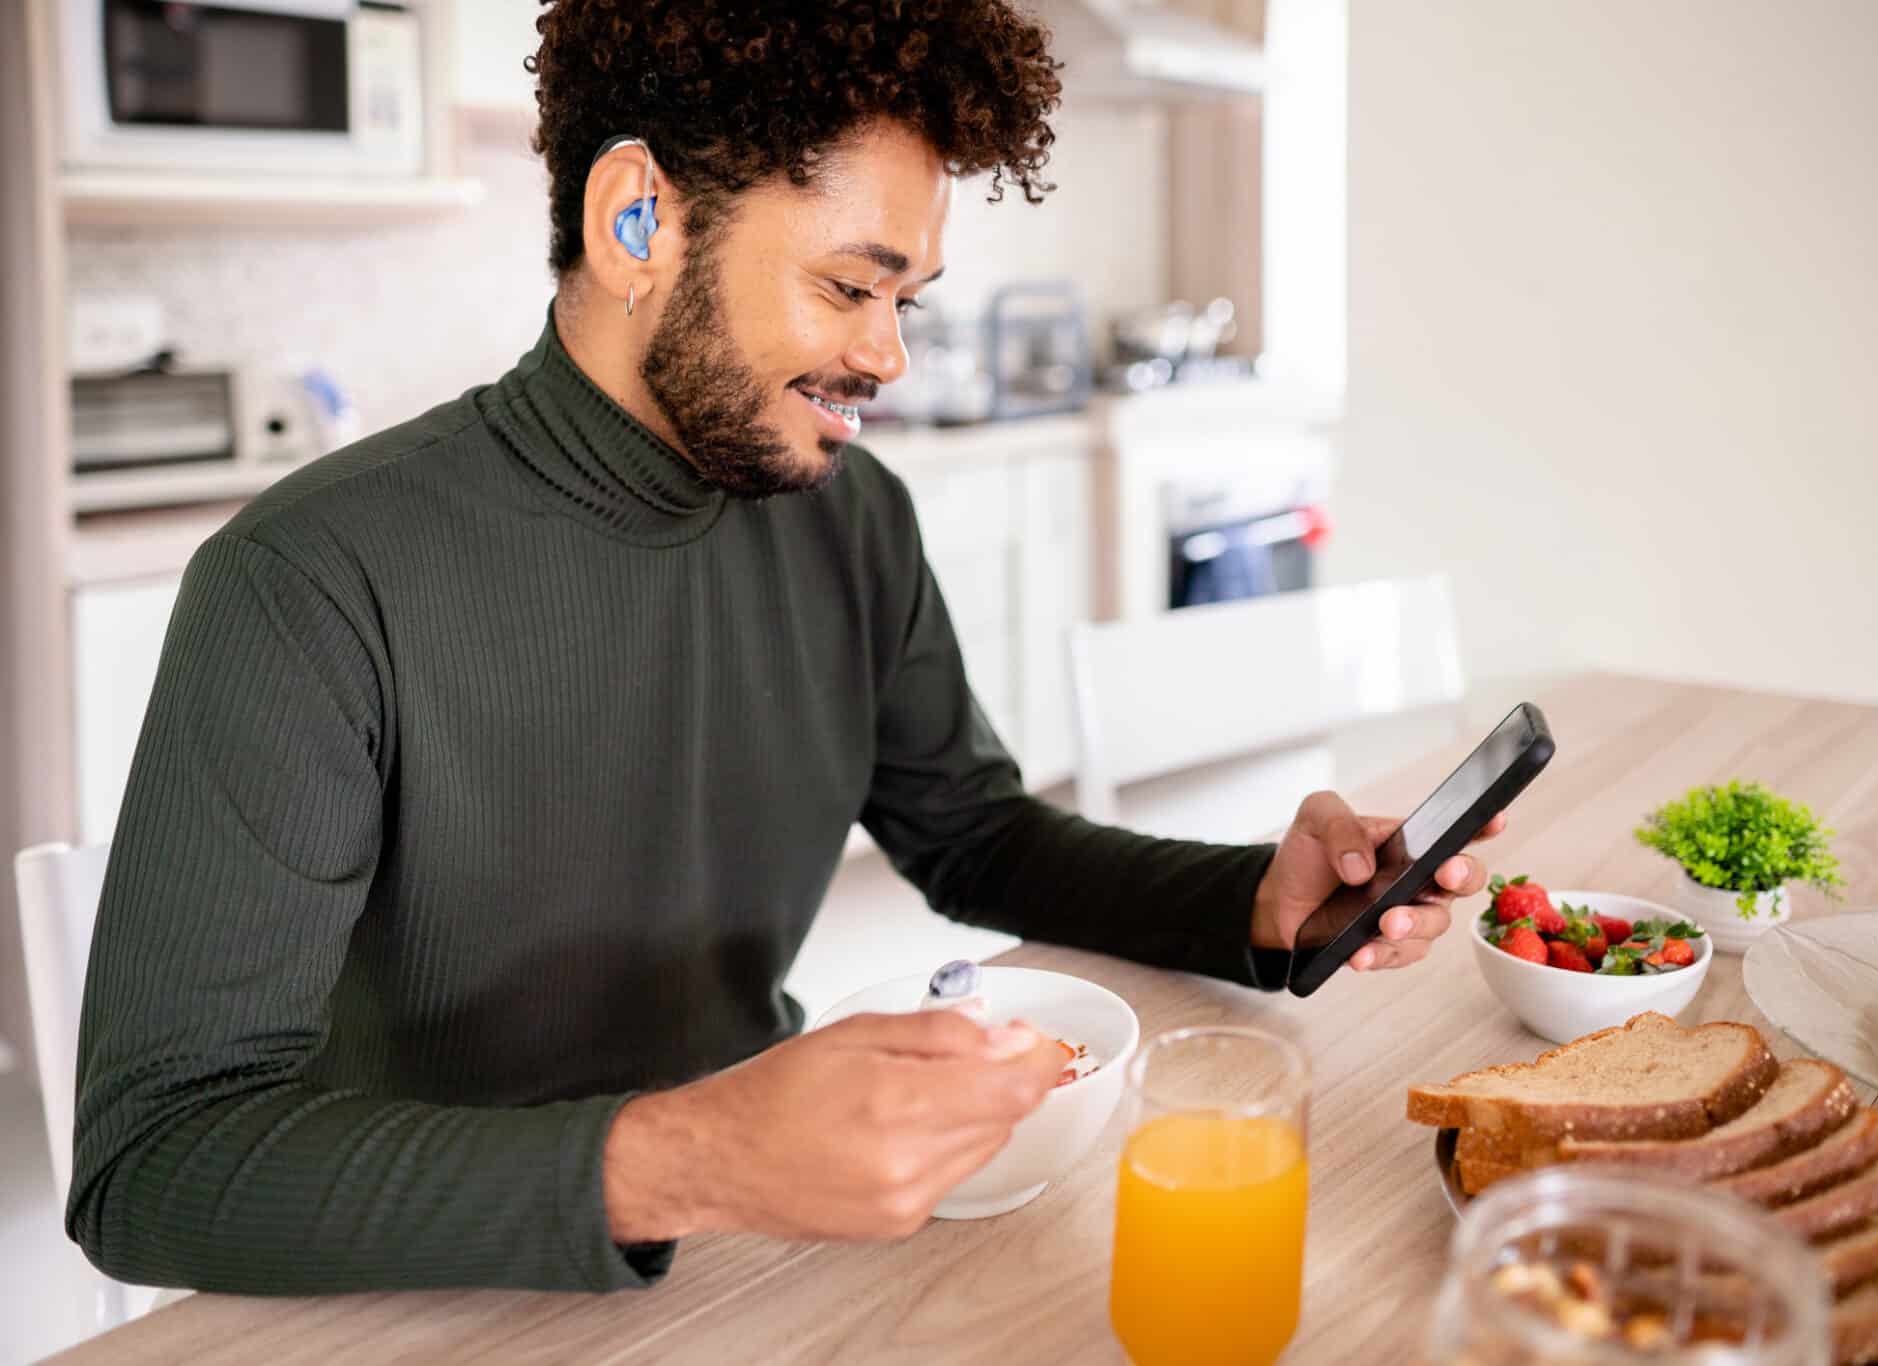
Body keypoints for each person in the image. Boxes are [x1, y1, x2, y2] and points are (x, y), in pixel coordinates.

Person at [68, 1, 1495, 1296]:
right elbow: (155, 1163)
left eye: (907, 300)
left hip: (754, 1260)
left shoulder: (849, 516)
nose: (889, 357)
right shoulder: (309, 580)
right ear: (639, 221)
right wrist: (681, 1156)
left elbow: (977, 837)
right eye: (848, 287)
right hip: (413, 1293)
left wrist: (1257, 900)